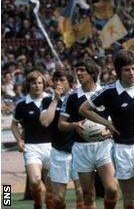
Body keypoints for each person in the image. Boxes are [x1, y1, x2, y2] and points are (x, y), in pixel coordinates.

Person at [80, 50, 134, 209]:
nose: (132, 73)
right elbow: (84, 109)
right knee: (130, 201)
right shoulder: (108, 92)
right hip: (122, 149)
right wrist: (106, 124)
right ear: (118, 71)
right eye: (127, 69)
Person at [58, 59, 119, 209]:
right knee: (88, 195)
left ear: (92, 73)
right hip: (81, 148)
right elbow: (61, 125)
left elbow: (117, 117)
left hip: (104, 146)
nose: (78, 73)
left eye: (82, 70)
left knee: (112, 189)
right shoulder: (72, 97)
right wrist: (74, 125)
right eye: (77, 70)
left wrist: (109, 127)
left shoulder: (106, 92)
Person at [39, 69, 84, 208]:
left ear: (70, 82)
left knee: (81, 192)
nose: (58, 83)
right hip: (58, 151)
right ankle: (9, 201)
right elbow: (45, 122)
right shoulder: (47, 100)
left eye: (62, 80)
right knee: (58, 199)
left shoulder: (78, 97)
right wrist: (55, 100)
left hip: (78, 150)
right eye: (56, 80)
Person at [11, 70, 54, 209]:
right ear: (28, 85)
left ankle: (47, 203)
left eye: (40, 83)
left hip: (53, 147)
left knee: (51, 188)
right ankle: (37, 203)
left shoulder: (52, 99)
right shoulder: (22, 104)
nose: (37, 85)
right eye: (34, 83)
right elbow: (14, 125)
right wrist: (19, 140)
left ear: (44, 84)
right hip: (32, 148)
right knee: (35, 182)